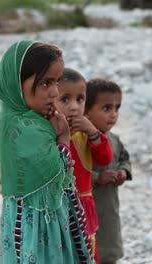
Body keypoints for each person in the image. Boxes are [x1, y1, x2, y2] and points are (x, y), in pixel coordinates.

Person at [0, 40, 94, 264]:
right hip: (37, 224)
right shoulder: (26, 128)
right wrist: (64, 139)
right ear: (17, 84)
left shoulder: (31, 120)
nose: (54, 92)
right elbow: (57, 170)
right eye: (45, 83)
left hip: (45, 218)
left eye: (56, 82)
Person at [55, 68, 114, 263]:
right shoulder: (47, 133)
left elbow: (105, 158)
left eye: (80, 99)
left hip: (82, 206)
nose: (74, 107)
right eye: (65, 100)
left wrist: (93, 132)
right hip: (56, 207)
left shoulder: (85, 135)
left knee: (86, 252)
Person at [85, 78, 133, 264]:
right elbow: (72, 174)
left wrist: (123, 172)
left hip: (108, 206)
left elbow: (124, 158)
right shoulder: (80, 141)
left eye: (117, 108)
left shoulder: (114, 140)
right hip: (87, 208)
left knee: (109, 248)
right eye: (106, 108)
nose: (113, 114)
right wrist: (98, 177)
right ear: (87, 111)